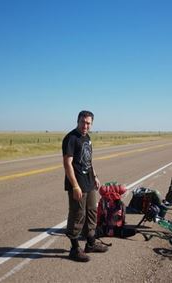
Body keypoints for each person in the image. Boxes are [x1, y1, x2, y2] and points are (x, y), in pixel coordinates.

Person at [62, 110, 108, 262]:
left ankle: (91, 243)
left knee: (92, 213)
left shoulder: (87, 138)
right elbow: (67, 163)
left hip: (89, 182)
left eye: (88, 123)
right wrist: (75, 186)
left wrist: (95, 176)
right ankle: (74, 249)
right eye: (83, 122)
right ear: (78, 121)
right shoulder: (71, 138)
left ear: (91, 124)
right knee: (77, 215)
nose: (85, 125)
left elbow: (89, 160)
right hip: (78, 184)